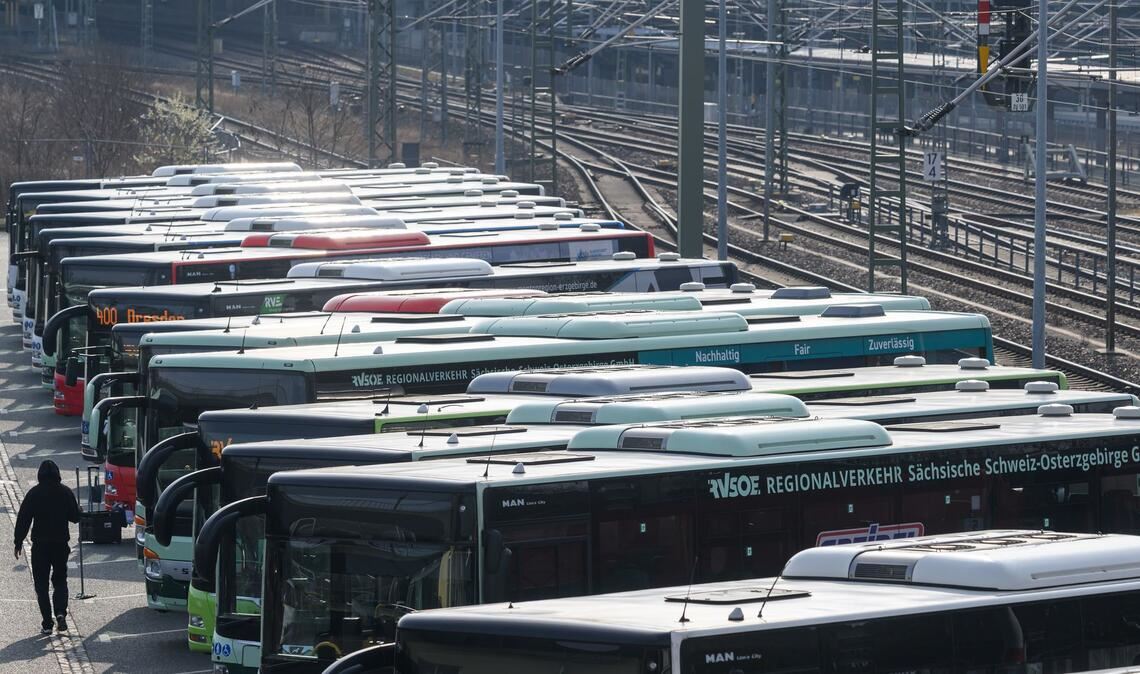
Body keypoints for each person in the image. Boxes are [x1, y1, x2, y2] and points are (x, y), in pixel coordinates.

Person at [13, 460, 81, 635]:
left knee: (41, 585)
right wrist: (78, 509)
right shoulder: (65, 492)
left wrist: (18, 541)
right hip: (60, 544)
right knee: (60, 580)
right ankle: (60, 612)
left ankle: (46, 622)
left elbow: (24, 518)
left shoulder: (34, 493)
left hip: (40, 546)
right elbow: (75, 517)